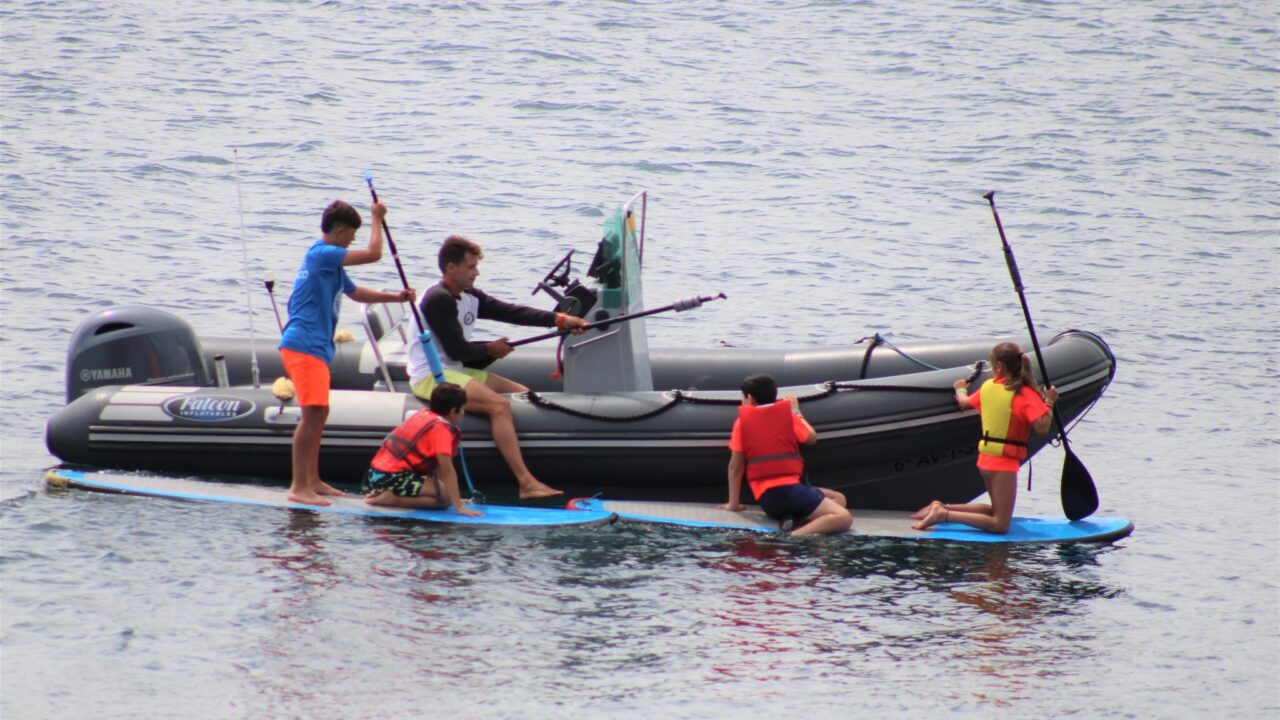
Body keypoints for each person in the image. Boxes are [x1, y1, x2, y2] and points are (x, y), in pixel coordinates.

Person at [406, 235, 588, 500]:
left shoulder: (467, 295)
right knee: (499, 406)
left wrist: (561, 319)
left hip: (454, 369)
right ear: (450, 268)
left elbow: (510, 311)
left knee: (522, 394)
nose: (476, 272)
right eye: (471, 267)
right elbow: (458, 350)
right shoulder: (438, 299)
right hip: (431, 376)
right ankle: (525, 483)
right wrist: (490, 350)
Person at [279, 199, 415, 507]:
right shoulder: (322, 254)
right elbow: (375, 254)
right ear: (340, 232)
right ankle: (299, 485)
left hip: (315, 347)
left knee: (320, 413)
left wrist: (396, 297)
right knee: (311, 414)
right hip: (303, 346)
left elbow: (355, 293)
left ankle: (312, 480)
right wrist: (377, 219)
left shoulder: (332, 266)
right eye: (351, 235)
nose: (353, 241)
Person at [912, 342, 1060, 533]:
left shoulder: (988, 387)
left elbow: (964, 403)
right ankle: (943, 515)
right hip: (1003, 463)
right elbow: (1042, 427)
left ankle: (941, 507)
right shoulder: (1024, 393)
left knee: (995, 511)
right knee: (1000, 525)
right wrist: (1049, 400)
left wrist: (960, 389)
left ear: (999, 367)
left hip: (985, 461)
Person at [719, 373, 853, 536]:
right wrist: (796, 411)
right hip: (787, 491)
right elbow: (811, 438)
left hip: (769, 499)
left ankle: (790, 518)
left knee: (839, 499)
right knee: (844, 518)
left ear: (749, 398)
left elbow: (735, 467)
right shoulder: (788, 416)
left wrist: (734, 504)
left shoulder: (742, 423)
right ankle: (792, 537)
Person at [363, 383, 482, 516]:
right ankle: (392, 499)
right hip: (394, 477)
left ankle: (387, 491)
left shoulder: (423, 415)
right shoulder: (441, 430)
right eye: (463, 409)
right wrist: (459, 506)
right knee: (444, 501)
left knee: (445, 493)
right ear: (454, 411)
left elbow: (437, 471)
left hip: (377, 475)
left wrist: (455, 497)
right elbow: (447, 470)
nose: (463, 413)